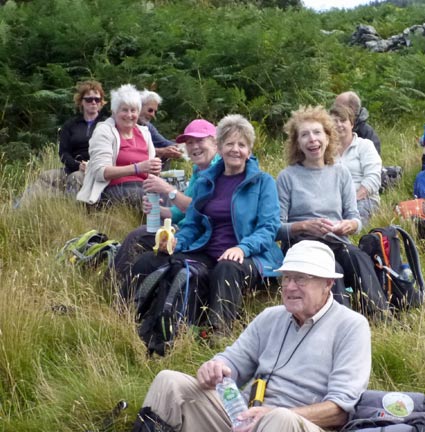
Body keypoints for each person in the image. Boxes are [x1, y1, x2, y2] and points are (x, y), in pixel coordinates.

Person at [132, 240, 371, 432]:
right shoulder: (271, 316)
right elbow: (233, 362)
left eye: (301, 278)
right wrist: (215, 368)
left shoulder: (351, 326)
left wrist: (274, 415)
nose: (289, 287)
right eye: (286, 277)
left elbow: (340, 410)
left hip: (298, 422)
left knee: (280, 420)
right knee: (170, 381)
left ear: (328, 283)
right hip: (245, 418)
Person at [131, 114, 283, 332]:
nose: (235, 149)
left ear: (249, 150)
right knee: (150, 260)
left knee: (227, 268)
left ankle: (218, 332)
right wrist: (176, 242)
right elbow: (192, 223)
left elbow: (269, 228)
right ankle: (139, 315)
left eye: (242, 144)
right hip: (206, 252)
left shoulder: (263, 182)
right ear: (219, 148)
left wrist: (242, 248)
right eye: (229, 143)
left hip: (251, 255)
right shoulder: (207, 180)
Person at [276, 105, 387, 318]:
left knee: (357, 257)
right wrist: (303, 226)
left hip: (336, 238)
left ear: (328, 137)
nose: (312, 139)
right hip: (303, 244)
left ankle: (380, 314)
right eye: (305, 135)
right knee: (330, 267)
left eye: (317, 133)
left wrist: (350, 225)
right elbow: (276, 228)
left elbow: (354, 217)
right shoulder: (287, 177)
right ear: (297, 143)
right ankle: (339, 321)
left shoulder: (341, 173)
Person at [113, 119, 220, 299]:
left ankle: (119, 292)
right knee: (140, 236)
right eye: (189, 142)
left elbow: (197, 210)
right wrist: (157, 209)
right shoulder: (199, 169)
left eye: (200, 140)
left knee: (139, 238)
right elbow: (179, 213)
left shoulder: (218, 170)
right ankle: (121, 290)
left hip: (199, 237)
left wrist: (168, 190)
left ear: (215, 142)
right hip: (185, 230)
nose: (194, 147)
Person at [14, 81, 107, 207]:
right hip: (73, 167)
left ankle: (71, 211)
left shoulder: (106, 125)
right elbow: (63, 153)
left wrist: (90, 165)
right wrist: (76, 165)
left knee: (75, 178)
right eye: (89, 99)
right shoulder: (70, 125)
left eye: (97, 99)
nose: (93, 102)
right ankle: (19, 207)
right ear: (81, 102)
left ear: (101, 102)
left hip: (95, 170)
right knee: (45, 177)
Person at [76, 84, 162, 208]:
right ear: (114, 112)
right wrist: (137, 168)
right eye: (124, 110)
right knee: (150, 200)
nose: (129, 115)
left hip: (143, 187)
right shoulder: (104, 131)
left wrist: (155, 170)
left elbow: (151, 172)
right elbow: (101, 172)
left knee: (171, 195)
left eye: (133, 110)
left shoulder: (144, 133)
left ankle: (172, 226)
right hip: (113, 188)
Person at [330, 104, 382, 226]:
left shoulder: (365, 145)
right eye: (334, 122)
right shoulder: (325, 151)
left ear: (351, 124)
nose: (339, 125)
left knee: (351, 224)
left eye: (343, 121)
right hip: (334, 202)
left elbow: (373, 178)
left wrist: (352, 200)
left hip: (364, 199)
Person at [139, 89, 183, 162]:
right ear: (139, 106)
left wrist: (184, 147)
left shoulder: (147, 126)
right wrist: (159, 151)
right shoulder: (122, 125)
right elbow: (132, 150)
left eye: (155, 112)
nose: (153, 115)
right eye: (150, 110)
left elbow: (163, 143)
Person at [334, 91, 381, 155]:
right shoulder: (328, 128)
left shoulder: (368, 134)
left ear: (351, 109)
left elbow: (373, 161)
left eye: (338, 106)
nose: (334, 109)